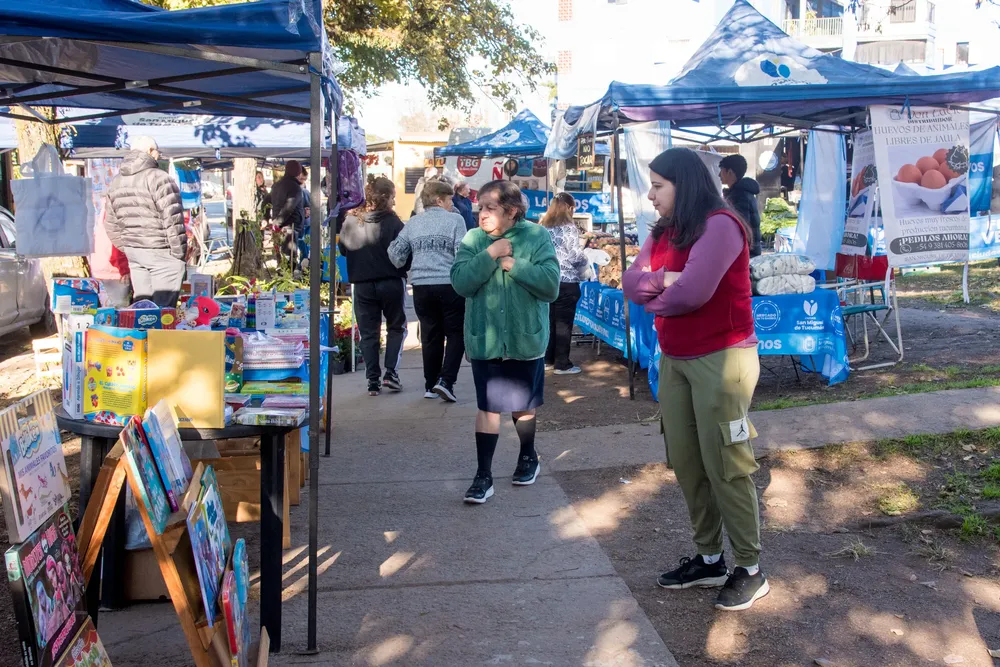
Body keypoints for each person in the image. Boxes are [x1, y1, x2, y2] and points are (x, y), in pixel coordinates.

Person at [622, 147, 766, 612]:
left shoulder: (721, 225)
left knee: (725, 462)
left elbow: (696, 292)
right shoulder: (665, 230)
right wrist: (669, 281)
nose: (651, 194)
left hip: (723, 358)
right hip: (676, 358)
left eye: (658, 186)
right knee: (686, 461)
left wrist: (658, 288)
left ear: (683, 185)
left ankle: (749, 567)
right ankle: (710, 558)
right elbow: (631, 283)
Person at [451, 180, 559, 504]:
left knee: (523, 404)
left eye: (489, 208)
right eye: (479, 207)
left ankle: (528, 455)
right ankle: (483, 475)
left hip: (524, 339)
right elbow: (460, 282)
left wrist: (516, 266)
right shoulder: (474, 239)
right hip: (486, 340)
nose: (481, 214)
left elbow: (551, 286)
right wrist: (491, 254)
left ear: (511, 211)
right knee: (488, 406)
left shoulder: (537, 236)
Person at [388, 180, 468, 401]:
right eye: (450, 199)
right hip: (449, 284)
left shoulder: (414, 223)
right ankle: (446, 381)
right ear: (439, 200)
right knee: (456, 333)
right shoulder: (455, 220)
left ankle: (430, 384)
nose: (453, 204)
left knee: (430, 335)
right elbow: (461, 252)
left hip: (422, 285)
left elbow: (395, 252)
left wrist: (407, 264)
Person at [338, 177, 409, 396]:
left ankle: (372, 381)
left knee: (368, 334)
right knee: (396, 327)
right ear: (388, 198)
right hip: (391, 281)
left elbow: (343, 249)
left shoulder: (351, 221)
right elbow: (405, 251)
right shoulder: (394, 222)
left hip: (362, 284)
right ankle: (390, 373)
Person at [104, 135, 186, 308]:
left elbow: (110, 224)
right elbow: (173, 220)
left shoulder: (116, 182)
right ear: (150, 151)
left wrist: (127, 247)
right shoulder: (159, 178)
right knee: (163, 313)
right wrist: (178, 255)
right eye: (157, 152)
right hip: (160, 251)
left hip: (135, 252)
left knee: (142, 311)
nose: (159, 155)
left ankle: (142, 336)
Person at [540, 192, 589, 375]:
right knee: (563, 323)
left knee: (550, 321)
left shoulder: (544, 227)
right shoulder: (569, 228)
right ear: (569, 208)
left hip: (548, 279)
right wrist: (587, 262)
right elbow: (575, 256)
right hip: (567, 280)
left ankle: (548, 359)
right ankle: (562, 363)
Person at [718, 154, 762, 257]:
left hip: (747, 254)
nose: (719, 175)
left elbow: (740, 229)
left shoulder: (739, 195)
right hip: (748, 252)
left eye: (721, 171)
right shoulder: (743, 192)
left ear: (730, 172)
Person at [269, 160, 305, 262]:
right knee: (289, 261)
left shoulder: (276, 185)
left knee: (281, 260)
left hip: (279, 227)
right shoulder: (295, 187)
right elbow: (289, 208)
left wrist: (270, 220)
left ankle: (281, 275)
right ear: (298, 173)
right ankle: (289, 276)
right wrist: (277, 223)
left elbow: (266, 202)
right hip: (289, 228)